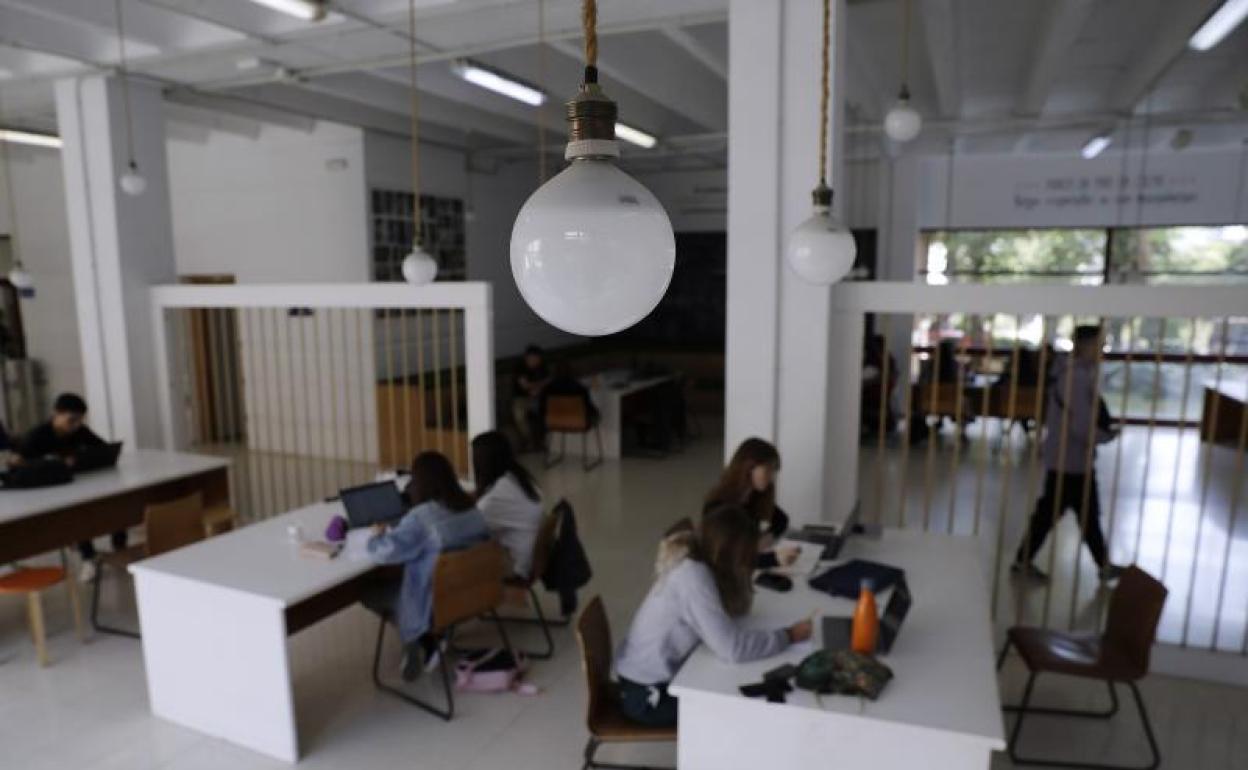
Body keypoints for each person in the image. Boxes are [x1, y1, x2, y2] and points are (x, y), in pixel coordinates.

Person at [614, 505, 813, 727]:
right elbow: (732, 648)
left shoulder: (697, 556)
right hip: (645, 695)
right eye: (744, 554)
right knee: (737, 709)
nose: (747, 561)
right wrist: (788, 636)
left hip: (644, 677)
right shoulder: (693, 577)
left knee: (736, 684)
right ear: (729, 551)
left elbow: (738, 611)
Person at [1012, 325, 1125, 584]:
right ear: (1085, 346)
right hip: (1069, 460)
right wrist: (1105, 437)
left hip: (1071, 459)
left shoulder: (1076, 372)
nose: (1102, 350)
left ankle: (1103, 565)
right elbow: (1080, 424)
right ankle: (1023, 560)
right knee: (1056, 515)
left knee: (1082, 516)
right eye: (1099, 344)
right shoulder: (1076, 377)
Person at [365, 451, 490, 680]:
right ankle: (427, 637)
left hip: (434, 602)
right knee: (410, 572)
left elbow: (383, 553)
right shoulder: (472, 509)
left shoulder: (421, 518)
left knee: (367, 590)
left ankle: (420, 637)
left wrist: (375, 536)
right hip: (470, 594)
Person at [16, 393, 117, 581]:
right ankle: (88, 556)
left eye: (79, 421)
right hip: (44, 491)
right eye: (71, 420)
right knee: (77, 513)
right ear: (57, 414)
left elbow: (103, 449)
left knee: (114, 500)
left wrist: (84, 457)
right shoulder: (37, 436)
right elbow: (21, 465)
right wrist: (56, 462)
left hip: (73, 484)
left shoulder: (79, 431)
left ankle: (119, 548)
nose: (76, 425)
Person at [704, 438, 800, 569]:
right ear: (748, 467)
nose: (771, 477)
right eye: (768, 470)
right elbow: (728, 558)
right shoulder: (719, 507)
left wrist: (765, 539)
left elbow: (781, 519)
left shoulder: (754, 496)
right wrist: (774, 558)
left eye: (773, 471)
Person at [471, 431, 544, 578]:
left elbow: (471, 527)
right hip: (530, 556)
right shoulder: (518, 478)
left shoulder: (497, 497)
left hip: (517, 566)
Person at [512, 345, 551, 451]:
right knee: (519, 416)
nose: (534, 361)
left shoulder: (542, 367)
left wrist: (538, 388)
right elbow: (525, 385)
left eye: (537, 358)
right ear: (526, 358)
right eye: (532, 358)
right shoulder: (520, 367)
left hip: (539, 398)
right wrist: (539, 385)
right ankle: (528, 441)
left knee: (545, 413)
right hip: (521, 399)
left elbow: (548, 382)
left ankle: (543, 441)